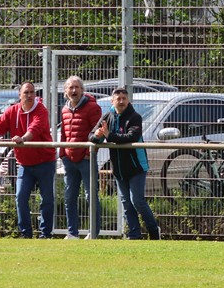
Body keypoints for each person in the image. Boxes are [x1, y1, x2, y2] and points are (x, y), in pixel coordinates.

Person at [0, 82, 56, 239]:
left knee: (47, 199)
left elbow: (35, 129)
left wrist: (23, 139)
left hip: (45, 162)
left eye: (32, 92)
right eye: (26, 92)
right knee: (20, 197)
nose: (29, 95)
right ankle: (26, 234)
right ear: (19, 95)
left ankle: (45, 234)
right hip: (25, 164)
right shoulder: (12, 111)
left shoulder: (41, 110)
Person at [90, 87, 160, 240]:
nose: (121, 101)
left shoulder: (135, 117)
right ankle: (134, 236)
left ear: (128, 100)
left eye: (124, 98)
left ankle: (154, 231)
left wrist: (109, 135)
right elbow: (92, 137)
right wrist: (97, 135)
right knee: (126, 203)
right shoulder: (107, 117)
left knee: (137, 201)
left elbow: (131, 136)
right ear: (112, 101)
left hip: (136, 167)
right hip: (119, 169)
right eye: (118, 99)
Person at [59, 75, 103, 239]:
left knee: (90, 196)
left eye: (76, 87)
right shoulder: (64, 110)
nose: (74, 90)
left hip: (86, 160)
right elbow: (64, 134)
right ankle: (72, 232)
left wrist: (88, 153)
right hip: (69, 160)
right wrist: (62, 154)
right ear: (66, 91)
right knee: (69, 196)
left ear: (82, 90)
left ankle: (93, 232)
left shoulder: (93, 108)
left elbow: (98, 134)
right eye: (70, 87)